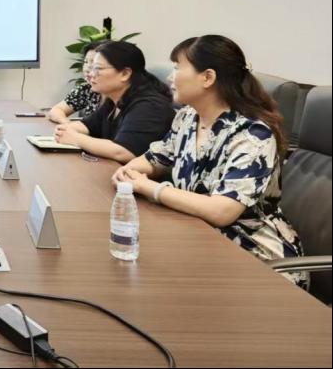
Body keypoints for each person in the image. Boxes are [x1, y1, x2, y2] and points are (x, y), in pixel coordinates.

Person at [111, 35, 306, 286]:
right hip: (197, 235)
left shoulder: (252, 135)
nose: (170, 77)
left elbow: (222, 211)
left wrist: (150, 188)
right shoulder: (188, 117)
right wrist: (129, 172)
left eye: (177, 68)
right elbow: (157, 158)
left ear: (208, 78)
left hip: (255, 255)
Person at [54, 40, 175, 162]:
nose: (90, 74)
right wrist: (65, 131)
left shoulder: (150, 106)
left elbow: (124, 152)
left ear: (125, 73)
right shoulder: (114, 100)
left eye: (97, 68)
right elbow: (85, 126)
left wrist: (76, 138)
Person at [48, 41, 103, 123]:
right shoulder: (87, 89)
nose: (87, 68)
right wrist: (67, 123)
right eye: (86, 62)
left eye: (95, 63)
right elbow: (56, 110)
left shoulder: (116, 97)